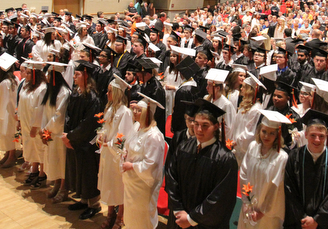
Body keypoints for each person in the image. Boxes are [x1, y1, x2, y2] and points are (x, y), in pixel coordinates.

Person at [166, 99, 238, 228]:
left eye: (205, 125)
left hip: (204, 224)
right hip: (179, 219)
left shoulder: (225, 158)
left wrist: (191, 219)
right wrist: (177, 210)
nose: (199, 129)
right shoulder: (183, 148)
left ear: (216, 126)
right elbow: (171, 178)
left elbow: (221, 198)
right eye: (196, 123)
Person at [284, 109, 328, 229]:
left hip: (324, 224)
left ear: (326, 136)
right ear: (306, 135)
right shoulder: (294, 156)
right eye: (313, 135)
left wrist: (317, 220)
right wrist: (302, 217)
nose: (317, 140)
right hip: (298, 222)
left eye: (321, 136)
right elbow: (289, 190)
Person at [64, 60, 103, 220]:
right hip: (74, 140)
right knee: (77, 171)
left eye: (77, 74)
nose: (74, 76)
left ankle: (94, 204)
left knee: (88, 173)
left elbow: (88, 124)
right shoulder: (75, 93)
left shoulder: (93, 98)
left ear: (86, 76)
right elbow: (67, 115)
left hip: (86, 143)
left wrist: (71, 136)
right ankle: (83, 199)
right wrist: (67, 134)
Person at [238, 110, 290, 229]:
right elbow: (244, 174)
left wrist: (262, 211)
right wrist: (246, 201)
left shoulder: (281, 157)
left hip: (267, 212)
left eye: (272, 133)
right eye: (264, 131)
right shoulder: (252, 147)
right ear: (259, 131)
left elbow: (275, 187)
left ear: (278, 134)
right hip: (249, 206)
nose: (266, 136)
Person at [121, 93, 166, 229]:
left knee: (142, 218)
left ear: (148, 113)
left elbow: (151, 165)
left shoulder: (154, 136)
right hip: (131, 181)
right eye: (135, 109)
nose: (134, 112)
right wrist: (124, 155)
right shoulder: (136, 127)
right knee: (130, 216)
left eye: (139, 110)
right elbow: (127, 145)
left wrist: (131, 165)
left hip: (144, 185)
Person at [97, 73, 134, 228]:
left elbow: (123, 135)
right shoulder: (110, 108)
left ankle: (120, 216)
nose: (107, 93)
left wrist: (110, 143)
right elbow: (106, 128)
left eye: (110, 91)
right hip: (107, 153)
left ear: (118, 93)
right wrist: (101, 136)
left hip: (116, 155)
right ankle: (110, 212)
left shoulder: (125, 112)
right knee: (109, 185)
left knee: (118, 186)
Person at [42, 62, 71, 201]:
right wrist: (44, 130)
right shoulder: (51, 91)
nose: (46, 77)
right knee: (53, 160)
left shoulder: (64, 92)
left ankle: (63, 189)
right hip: (51, 132)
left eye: (48, 74)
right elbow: (45, 111)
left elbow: (59, 115)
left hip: (59, 133)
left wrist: (47, 129)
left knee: (61, 161)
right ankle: (56, 184)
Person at [18, 60, 48, 187]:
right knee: (30, 148)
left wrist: (35, 126)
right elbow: (21, 102)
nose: (26, 75)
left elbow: (40, 109)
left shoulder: (42, 89)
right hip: (26, 122)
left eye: (29, 73)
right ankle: (34, 170)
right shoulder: (27, 85)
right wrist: (19, 119)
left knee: (39, 149)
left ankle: (42, 174)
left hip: (36, 125)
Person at [230, 71, 264, 165]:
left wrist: (236, 141)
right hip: (237, 146)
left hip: (244, 149)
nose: (241, 89)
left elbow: (250, 133)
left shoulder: (256, 109)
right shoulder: (244, 104)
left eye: (244, 87)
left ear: (250, 90)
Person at [0, 53, 19, 168]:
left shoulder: (4, 83)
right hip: (14, 111)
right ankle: (8, 154)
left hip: (6, 112)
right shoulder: (16, 79)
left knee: (8, 134)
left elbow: (2, 101)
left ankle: (11, 156)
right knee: (10, 134)